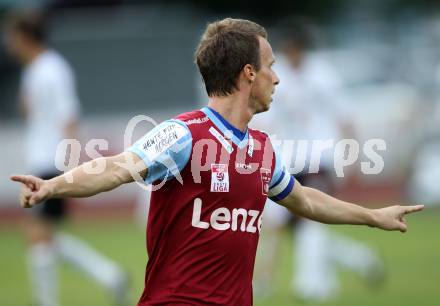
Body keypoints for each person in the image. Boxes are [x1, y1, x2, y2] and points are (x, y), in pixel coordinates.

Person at [10, 18, 423, 306]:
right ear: (248, 73)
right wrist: (53, 185)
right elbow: (119, 166)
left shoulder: (261, 148)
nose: (276, 78)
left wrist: (374, 217)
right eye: (270, 67)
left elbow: (306, 201)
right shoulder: (185, 134)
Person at [252, 19, 385, 301]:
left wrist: (353, 155)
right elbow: (269, 120)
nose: (291, 54)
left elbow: (345, 116)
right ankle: (359, 258)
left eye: (294, 49)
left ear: (303, 48)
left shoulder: (324, 76)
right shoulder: (279, 77)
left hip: (320, 157)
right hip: (289, 160)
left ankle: (312, 285)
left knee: (312, 219)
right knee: (289, 227)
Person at [4, 10, 128, 306]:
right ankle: (110, 275)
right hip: (42, 161)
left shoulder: (52, 69)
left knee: (38, 234)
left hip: (52, 162)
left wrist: (69, 164)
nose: (8, 43)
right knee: (41, 235)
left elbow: (68, 115)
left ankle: (49, 301)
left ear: (23, 36)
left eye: (11, 36)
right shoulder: (35, 70)